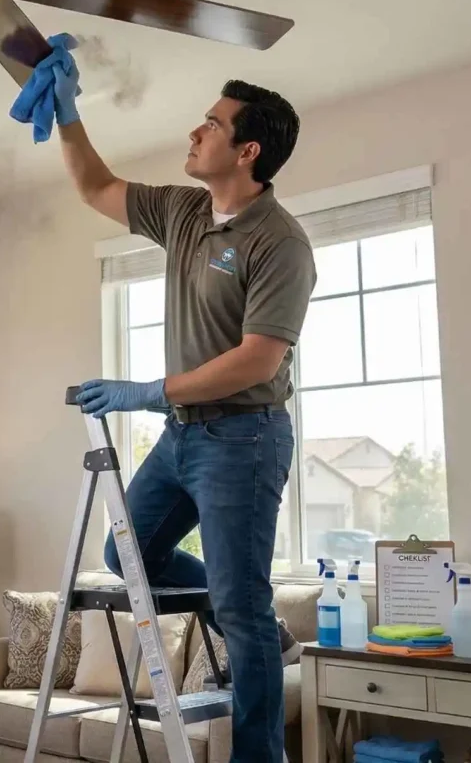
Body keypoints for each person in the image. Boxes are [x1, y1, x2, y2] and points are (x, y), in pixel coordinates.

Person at [36, 40, 316, 763]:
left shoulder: (280, 242)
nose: (195, 131)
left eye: (212, 124)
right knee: (127, 552)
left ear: (248, 151)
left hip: (245, 438)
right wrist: (67, 114)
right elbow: (96, 186)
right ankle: (254, 617)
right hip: (183, 436)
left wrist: (146, 392)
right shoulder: (184, 212)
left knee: (239, 609)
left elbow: (258, 358)